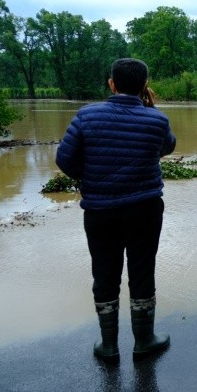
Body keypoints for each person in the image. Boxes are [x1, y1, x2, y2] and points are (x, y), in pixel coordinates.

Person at [56, 58, 176, 363]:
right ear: (145, 87)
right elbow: (166, 147)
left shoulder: (86, 116)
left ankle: (109, 345)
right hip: (145, 209)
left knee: (104, 272)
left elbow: (65, 160)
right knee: (141, 270)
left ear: (111, 84)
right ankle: (144, 341)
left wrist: (93, 175)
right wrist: (148, 109)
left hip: (99, 210)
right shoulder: (156, 120)